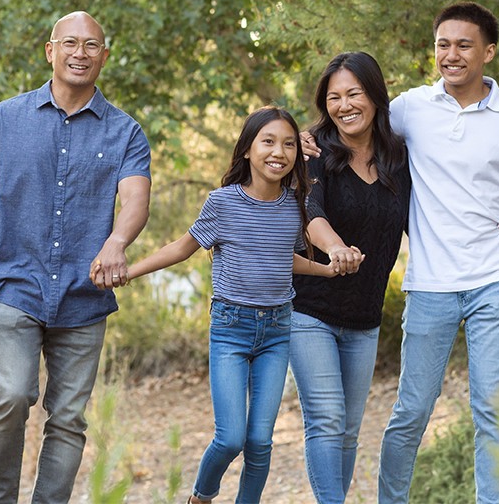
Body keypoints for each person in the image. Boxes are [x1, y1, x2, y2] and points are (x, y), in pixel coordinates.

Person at [93, 106, 354, 504]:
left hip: (277, 331)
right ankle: (201, 495)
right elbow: (182, 248)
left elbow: (284, 257)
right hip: (231, 329)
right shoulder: (223, 202)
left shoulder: (294, 205)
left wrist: (327, 271)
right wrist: (130, 270)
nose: (278, 152)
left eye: (288, 144)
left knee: (260, 442)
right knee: (231, 437)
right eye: (267, 141)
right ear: (247, 149)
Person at [0, 11, 152, 504]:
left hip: (85, 293)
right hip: (17, 283)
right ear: (50, 51)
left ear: (104, 56)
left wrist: (117, 241)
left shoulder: (125, 133)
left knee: (69, 418)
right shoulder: (6, 119)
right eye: (71, 43)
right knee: (12, 395)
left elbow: (136, 201)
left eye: (92, 45)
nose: (81, 53)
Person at [294, 52, 499, 504]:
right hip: (309, 308)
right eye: (333, 97)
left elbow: (430, 211)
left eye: (354, 93)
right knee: (327, 421)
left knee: (350, 431)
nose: (344, 105)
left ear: (375, 97)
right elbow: (309, 210)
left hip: (363, 315)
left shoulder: (397, 158)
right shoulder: (312, 149)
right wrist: (335, 246)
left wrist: (485, 225)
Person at [376, 1, 499, 504]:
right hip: (429, 285)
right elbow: (353, 126)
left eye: (464, 45)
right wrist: (303, 140)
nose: (451, 55)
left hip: (494, 280)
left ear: (488, 52)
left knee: (493, 411)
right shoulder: (410, 109)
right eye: (443, 44)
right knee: (411, 411)